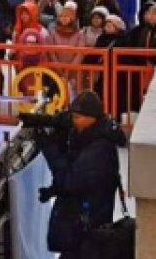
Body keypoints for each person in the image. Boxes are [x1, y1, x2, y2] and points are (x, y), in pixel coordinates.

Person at [31, 91, 128, 259]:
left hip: (86, 234)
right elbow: (78, 175)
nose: (73, 122)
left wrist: (51, 149)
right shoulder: (87, 137)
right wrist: (53, 190)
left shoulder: (100, 149)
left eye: (77, 117)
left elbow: (70, 181)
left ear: (92, 118)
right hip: (80, 229)